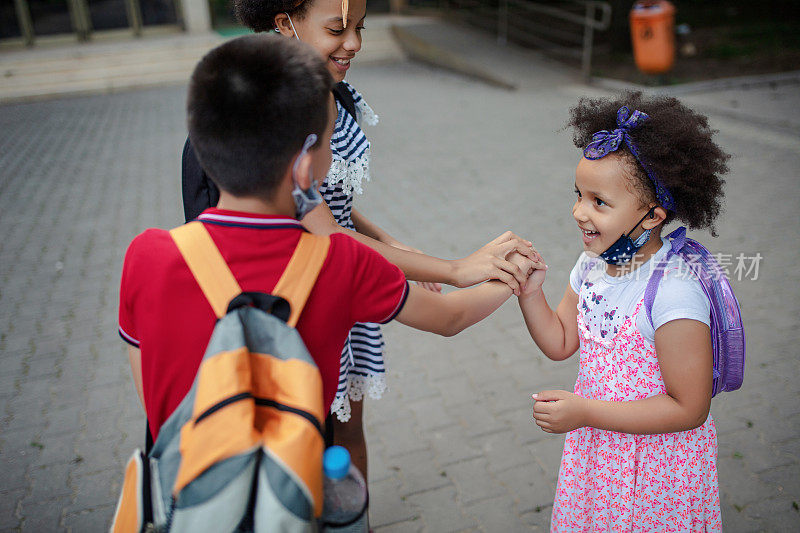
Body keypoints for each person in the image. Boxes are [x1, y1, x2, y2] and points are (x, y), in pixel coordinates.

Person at [119, 35, 541, 451]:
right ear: (306, 167)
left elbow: (154, 406)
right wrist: (513, 273)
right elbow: (450, 317)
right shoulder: (341, 261)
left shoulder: (147, 256)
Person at [516, 91, 729, 531]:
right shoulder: (592, 265)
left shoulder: (673, 292)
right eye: (579, 194)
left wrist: (585, 412)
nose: (578, 212)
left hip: (656, 468)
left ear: (652, 216)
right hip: (602, 453)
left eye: (599, 202)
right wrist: (530, 293)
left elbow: (690, 408)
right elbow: (561, 342)